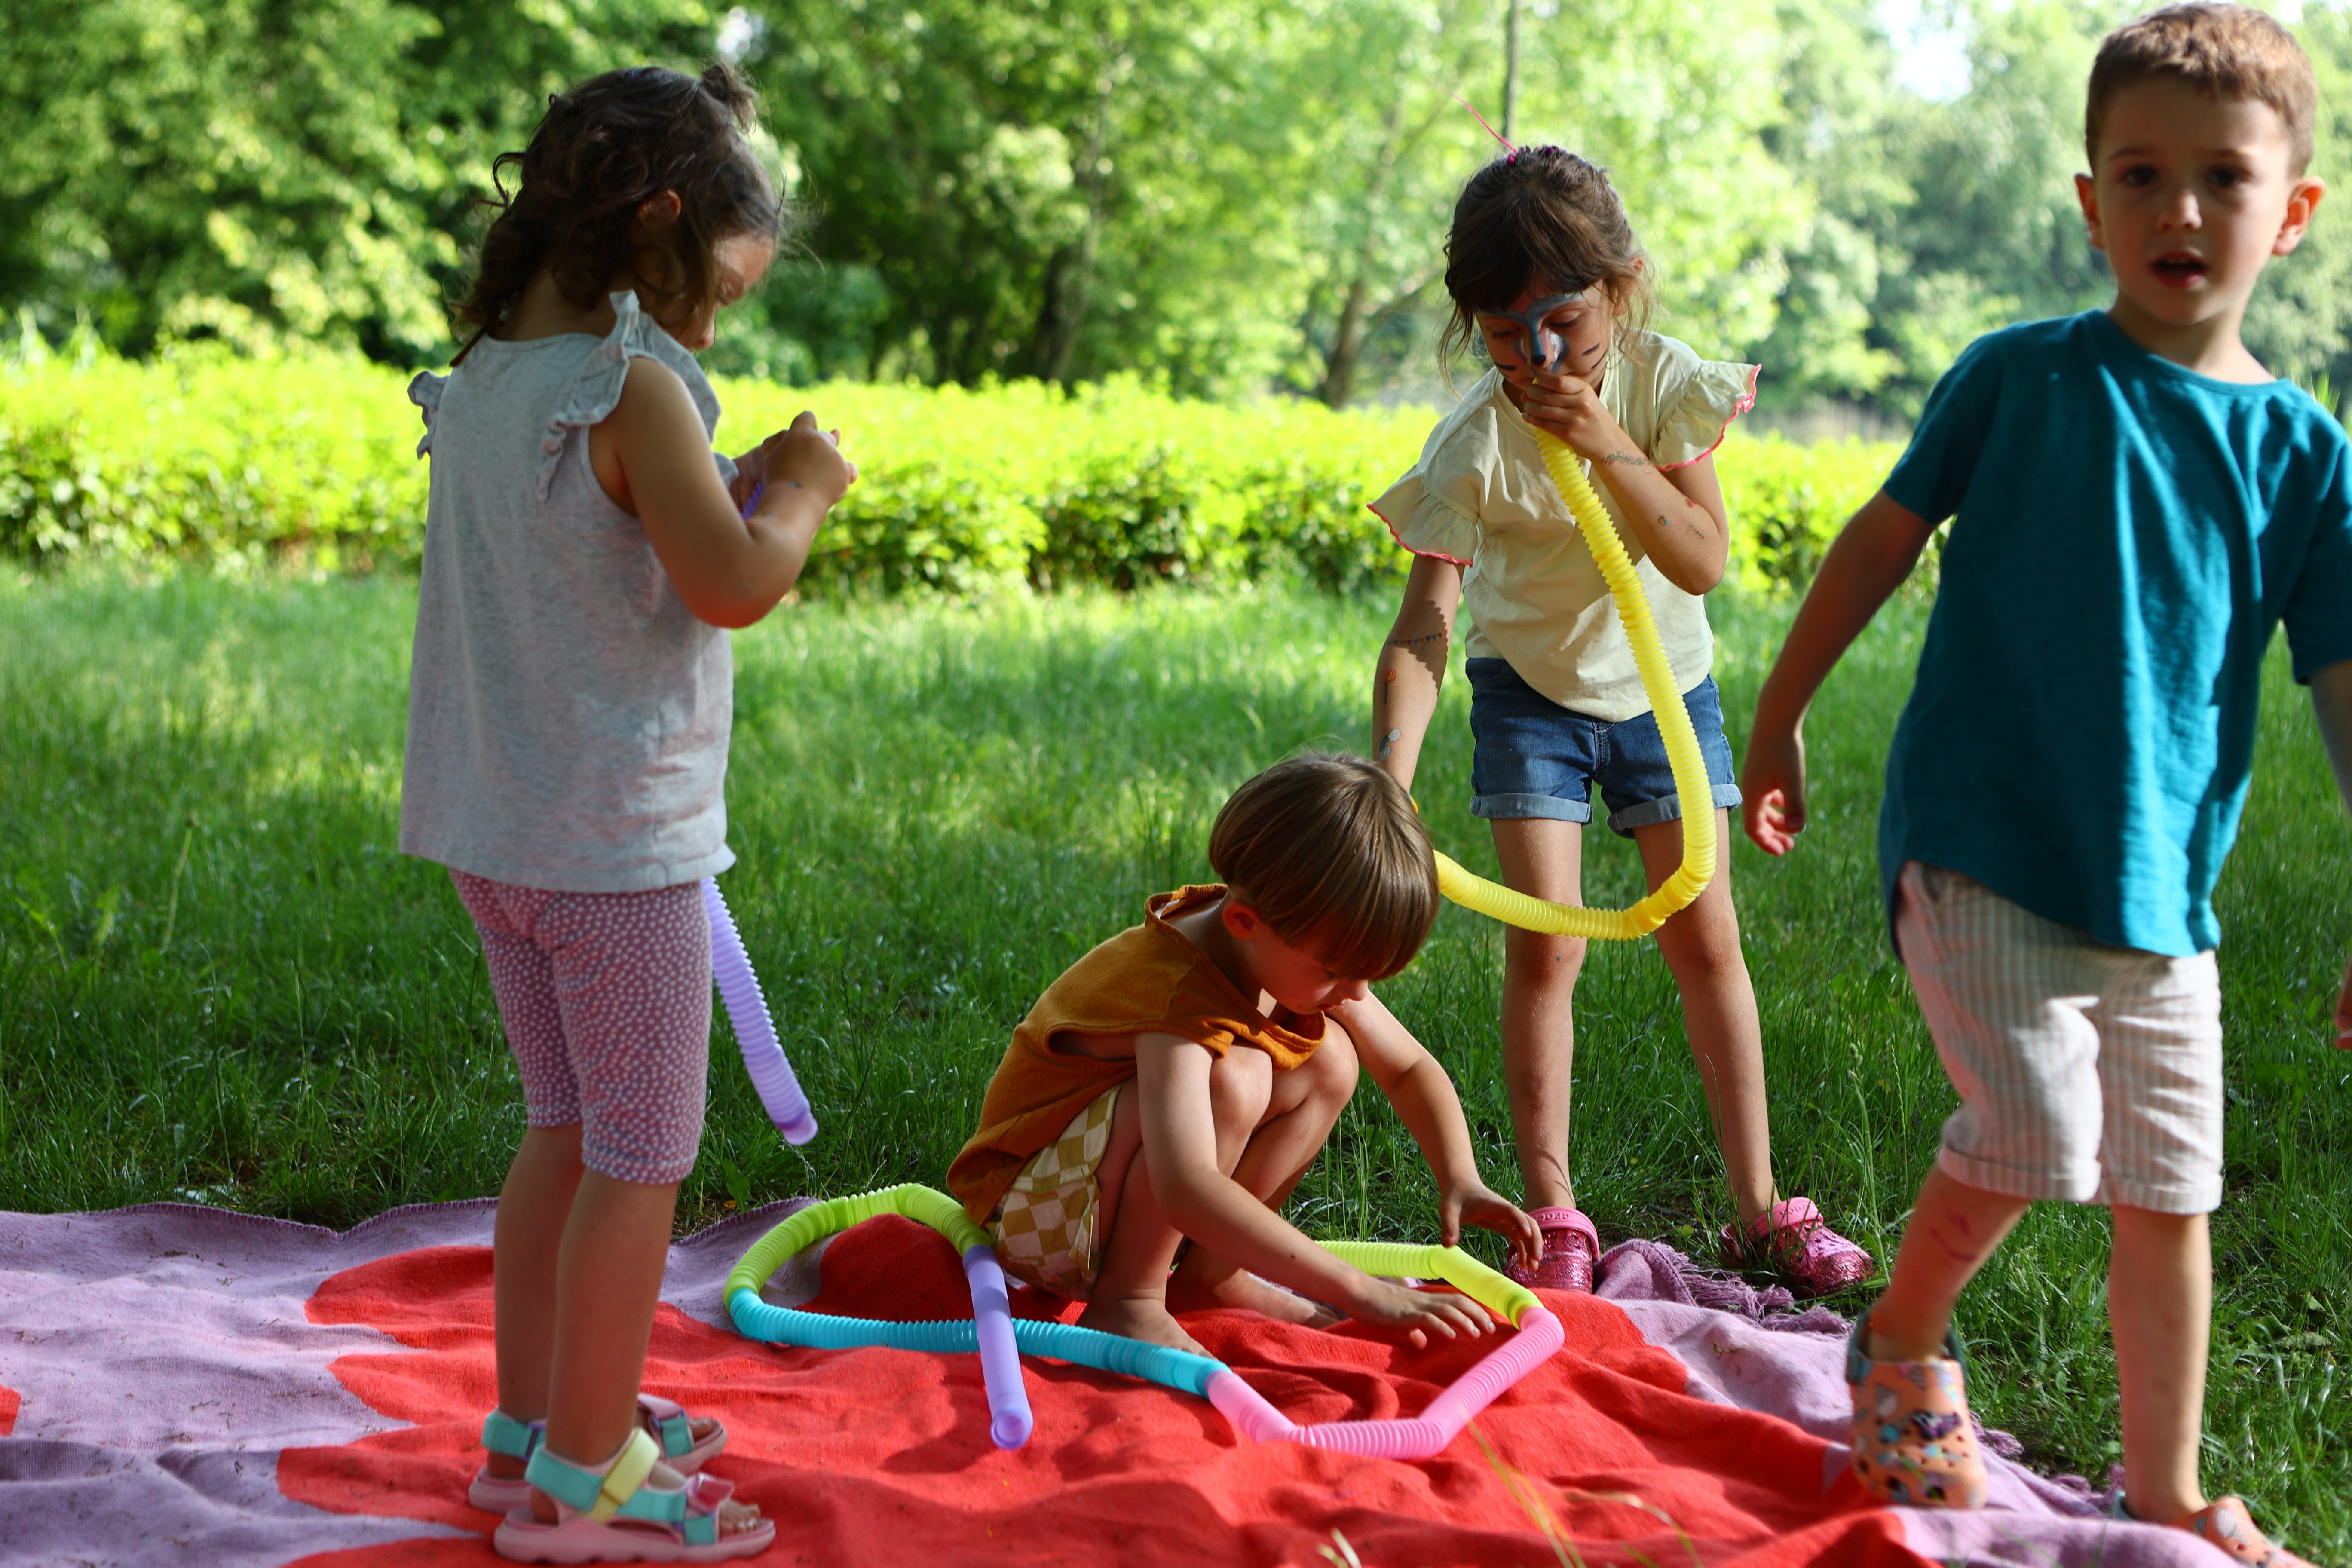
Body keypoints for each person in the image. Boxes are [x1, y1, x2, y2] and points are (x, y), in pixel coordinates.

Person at [1738, 6, 2347, 1557]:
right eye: (2140, 174)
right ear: (2090, 202)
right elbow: (1876, 542)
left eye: (2224, 177)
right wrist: (1781, 711)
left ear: (2293, 211)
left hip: (2163, 892)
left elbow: (2345, 687)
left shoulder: (2300, 453)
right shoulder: (2017, 379)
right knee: (2032, 1127)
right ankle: (1905, 1320)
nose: (2180, 210)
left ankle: (2161, 1487)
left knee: (2169, 1193)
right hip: (1981, 840)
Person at [399, 64, 855, 1565]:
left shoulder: (479, 384)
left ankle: (533, 1427)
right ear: (653, 220)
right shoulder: (629, 382)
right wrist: (799, 484)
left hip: (501, 838)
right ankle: (590, 1482)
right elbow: (732, 577)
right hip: (619, 858)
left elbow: (604, 556)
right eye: (714, 288)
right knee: (643, 1152)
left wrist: (719, 488)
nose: (715, 328)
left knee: (565, 1129)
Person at [1367, 144, 1872, 1297]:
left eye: (1566, 322)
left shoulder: (1658, 383)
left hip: (1664, 693)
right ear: (1470, 326)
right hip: (1529, 697)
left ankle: (1760, 1207)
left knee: (1706, 943)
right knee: (1546, 944)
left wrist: (1609, 442)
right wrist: (1390, 774)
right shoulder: (1470, 449)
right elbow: (1422, 630)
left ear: (1623, 291)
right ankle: (1555, 1210)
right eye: (1507, 332)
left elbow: (1700, 561)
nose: (1540, 355)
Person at [946, 754, 1542, 1354]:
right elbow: (1185, 1185)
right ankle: (1128, 1301)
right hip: (1027, 1214)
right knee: (1235, 1079)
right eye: (1338, 971)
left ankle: (1210, 1276)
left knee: (1332, 1058)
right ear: (1243, 922)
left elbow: (1409, 1068)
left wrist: (1460, 1176)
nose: (1358, 993)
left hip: (1088, 1199)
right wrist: (1359, 1289)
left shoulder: (1281, 943)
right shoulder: (1180, 994)